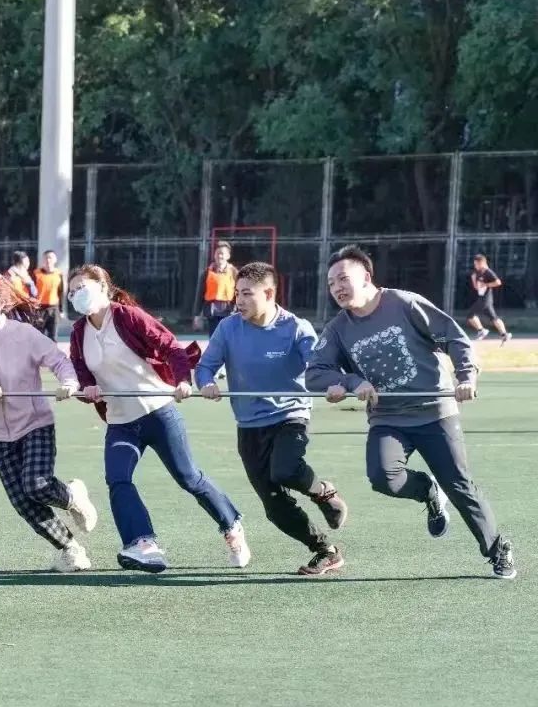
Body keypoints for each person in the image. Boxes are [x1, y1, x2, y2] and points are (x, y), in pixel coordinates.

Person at [307, 245, 516, 579]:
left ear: (366, 276)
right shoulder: (337, 329)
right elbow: (315, 374)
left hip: (435, 411)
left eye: (343, 278)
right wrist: (347, 381)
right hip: (387, 417)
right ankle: (428, 491)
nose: (337, 288)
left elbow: (455, 338)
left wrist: (466, 376)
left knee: (459, 485)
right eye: (331, 283)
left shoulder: (404, 303)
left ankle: (497, 549)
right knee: (383, 478)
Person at [67, 264, 250, 573]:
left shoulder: (128, 316)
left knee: (189, 478)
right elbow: (82, 372)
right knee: (118, 479)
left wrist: (182, 380)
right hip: (121, 422)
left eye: (82, 288)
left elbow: (171, 347)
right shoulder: (78, 332)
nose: (76, 296)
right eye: (72, 293)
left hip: (158, 412)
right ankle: (142, 544)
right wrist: (87, 389)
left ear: (103, 287)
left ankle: (231, 525)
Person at [195, 262, 348, 576]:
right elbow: (204, 367)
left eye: (247, 294)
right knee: (274, 507)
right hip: (249, 425)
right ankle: (326, 551)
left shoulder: (296, 328)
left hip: (290, 415)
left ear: (268, 294)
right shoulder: (228, 328)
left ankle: (323, 492)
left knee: (286, 469)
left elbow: (319, 365)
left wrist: (334, 383)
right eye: (237, 293)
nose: (239, 301)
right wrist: (206, 383)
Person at [0, 270, 98, 571]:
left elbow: (59, 361)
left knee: (36, 485)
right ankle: (70, 549)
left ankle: (72, 495)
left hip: (35, 423)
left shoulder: (24, 334)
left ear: (0, 302)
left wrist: (69, 382)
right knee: (22, 501)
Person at [465, 254, 511, 344]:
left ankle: (481, 330)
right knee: (494, 317)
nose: (475, 266)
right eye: (475, 264)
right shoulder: (478, 273)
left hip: (485, 299)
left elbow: (498, 282)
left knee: (470, 315)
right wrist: (473, 279)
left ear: (482, 263)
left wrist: (486, 284)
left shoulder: (488, 272)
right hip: (482, 298)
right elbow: (476, 287)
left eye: (477, 264)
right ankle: (504, 334)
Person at [197, 241, 239, 337]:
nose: (220, 256)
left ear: (228, 256)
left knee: (229, 338)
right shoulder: (207, 272)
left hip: (229, 312)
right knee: (214, 338)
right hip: (212, 313)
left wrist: (241, 311)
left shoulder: (234, 272)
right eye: (217, 253)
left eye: (222, 254)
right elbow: (200, 294)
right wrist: (197, 314)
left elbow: (240, 293)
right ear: (214, 255)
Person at [32, 250, 64, 341]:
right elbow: (31, 292)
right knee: (38, 336)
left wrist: (61, 310)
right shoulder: (36, 273)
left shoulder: (59, 274)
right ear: (43, 260)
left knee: (53, 336)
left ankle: (52, 350)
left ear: (55, 259)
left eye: (50, 258)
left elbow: (60, 292)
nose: (48, 260)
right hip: (40, 309)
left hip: (53, 309)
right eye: (46, 258)